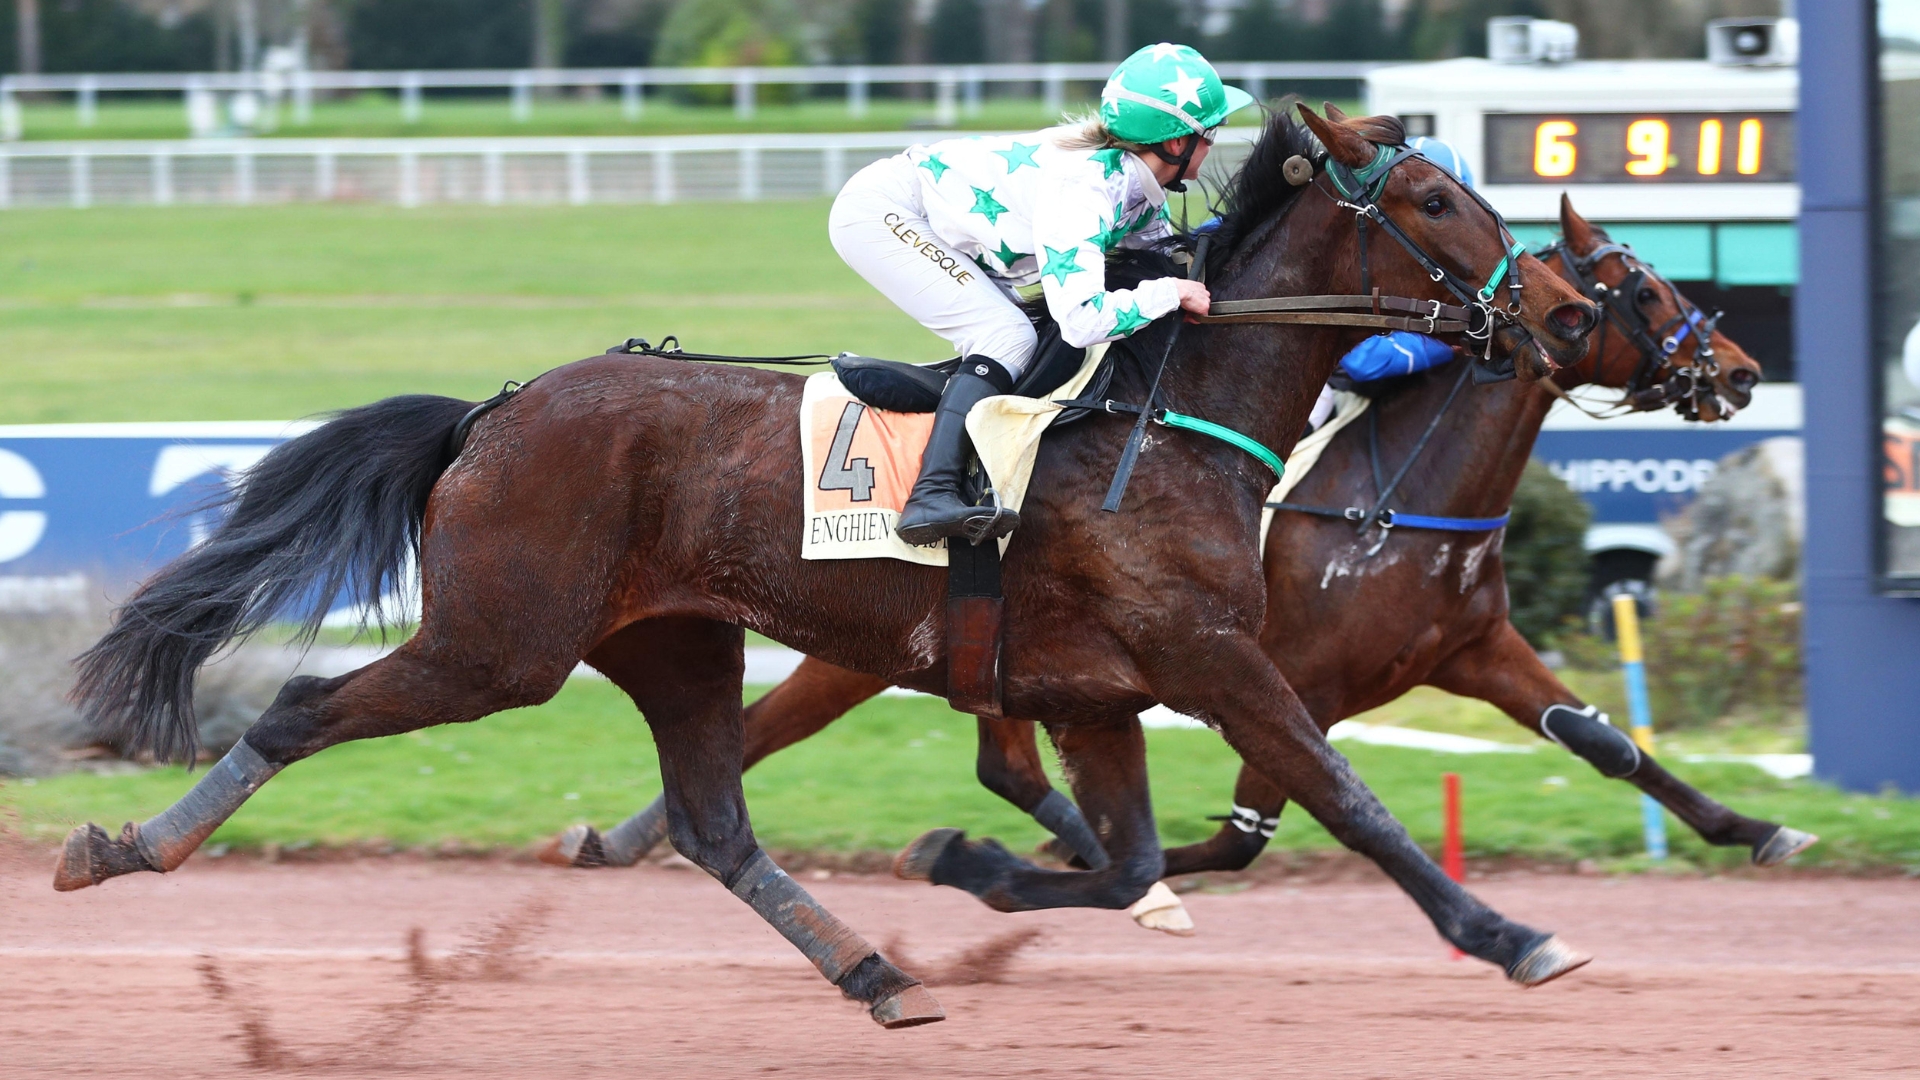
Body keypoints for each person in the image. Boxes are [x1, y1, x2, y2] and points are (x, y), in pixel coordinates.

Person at [828, 43, 1255, 546]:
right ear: (1177, 143)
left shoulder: (1135, 185)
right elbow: (1083, 319)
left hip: (933, 224)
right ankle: (930, 494)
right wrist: (1169, 292)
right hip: (884, 214)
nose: (1214, 144)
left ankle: (928, 395)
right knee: (1008, 337)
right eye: (1211, 133)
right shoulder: (1086, 189)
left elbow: (1166, 253)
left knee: (1034, 351)